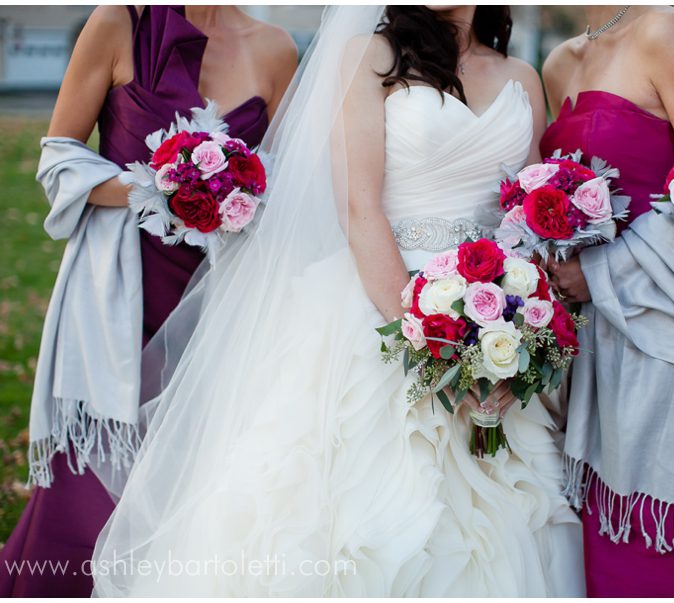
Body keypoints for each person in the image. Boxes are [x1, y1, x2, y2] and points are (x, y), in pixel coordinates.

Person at [91, 6, 585, 596]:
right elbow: (360, 207)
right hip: (386, 309)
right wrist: (431, 347)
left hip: (496, 320)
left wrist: (521, 336)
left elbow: (522, 216)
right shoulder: (372, 58)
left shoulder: (521, 77)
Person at [0, 6, 296, 597]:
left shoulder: (278, 48)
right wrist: (164, 184)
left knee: (191, 497)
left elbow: (287, 185)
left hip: (221, 307)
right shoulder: (119, 23)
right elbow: (58, 162)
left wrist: (242, 191)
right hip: (115, 299)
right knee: (84, 500)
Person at [541, 5, 674, 597]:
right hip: (587, 356)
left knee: (658, 556)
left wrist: (601, 268)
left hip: (665, 340)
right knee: (594, 561)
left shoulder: (664, 30)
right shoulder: (558, 63)